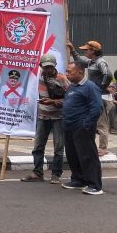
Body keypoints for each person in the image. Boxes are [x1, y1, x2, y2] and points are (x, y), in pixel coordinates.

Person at [20, 54, 69, 184]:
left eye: (50, 67)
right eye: (45, 67)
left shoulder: (62, 79)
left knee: (58, 147)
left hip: (58, 116)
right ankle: (37, 172)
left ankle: (56, 174)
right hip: (43, 115)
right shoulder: (39, 76)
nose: (47, 70)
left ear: (54, 66)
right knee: (38, 146)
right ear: (41, 66)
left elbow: (71, 98)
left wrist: (53, 102)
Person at [61, 61, 104, 195]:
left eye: (70, 72)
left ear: (80, 72)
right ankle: (79, 180)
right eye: (67, 71)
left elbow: (97, 108)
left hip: (82, 128)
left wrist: (85, 125)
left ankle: (95, 185)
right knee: (73, 155)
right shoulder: (72, 86)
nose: (67, 74)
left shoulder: (90, 87)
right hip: (69, 127)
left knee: (87, 156)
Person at [67, 39, 112, 155]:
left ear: (93, 51)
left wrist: (100, 88)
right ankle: (94, 146)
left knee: (101, 123)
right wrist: (72, 50)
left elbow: (108, 75)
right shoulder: (92, 62)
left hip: (100, 96)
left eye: (87, 50)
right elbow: (79, 62)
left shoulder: (100, 62)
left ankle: (103, 148)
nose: (85, 52)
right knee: (93, 122)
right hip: (94, 95)